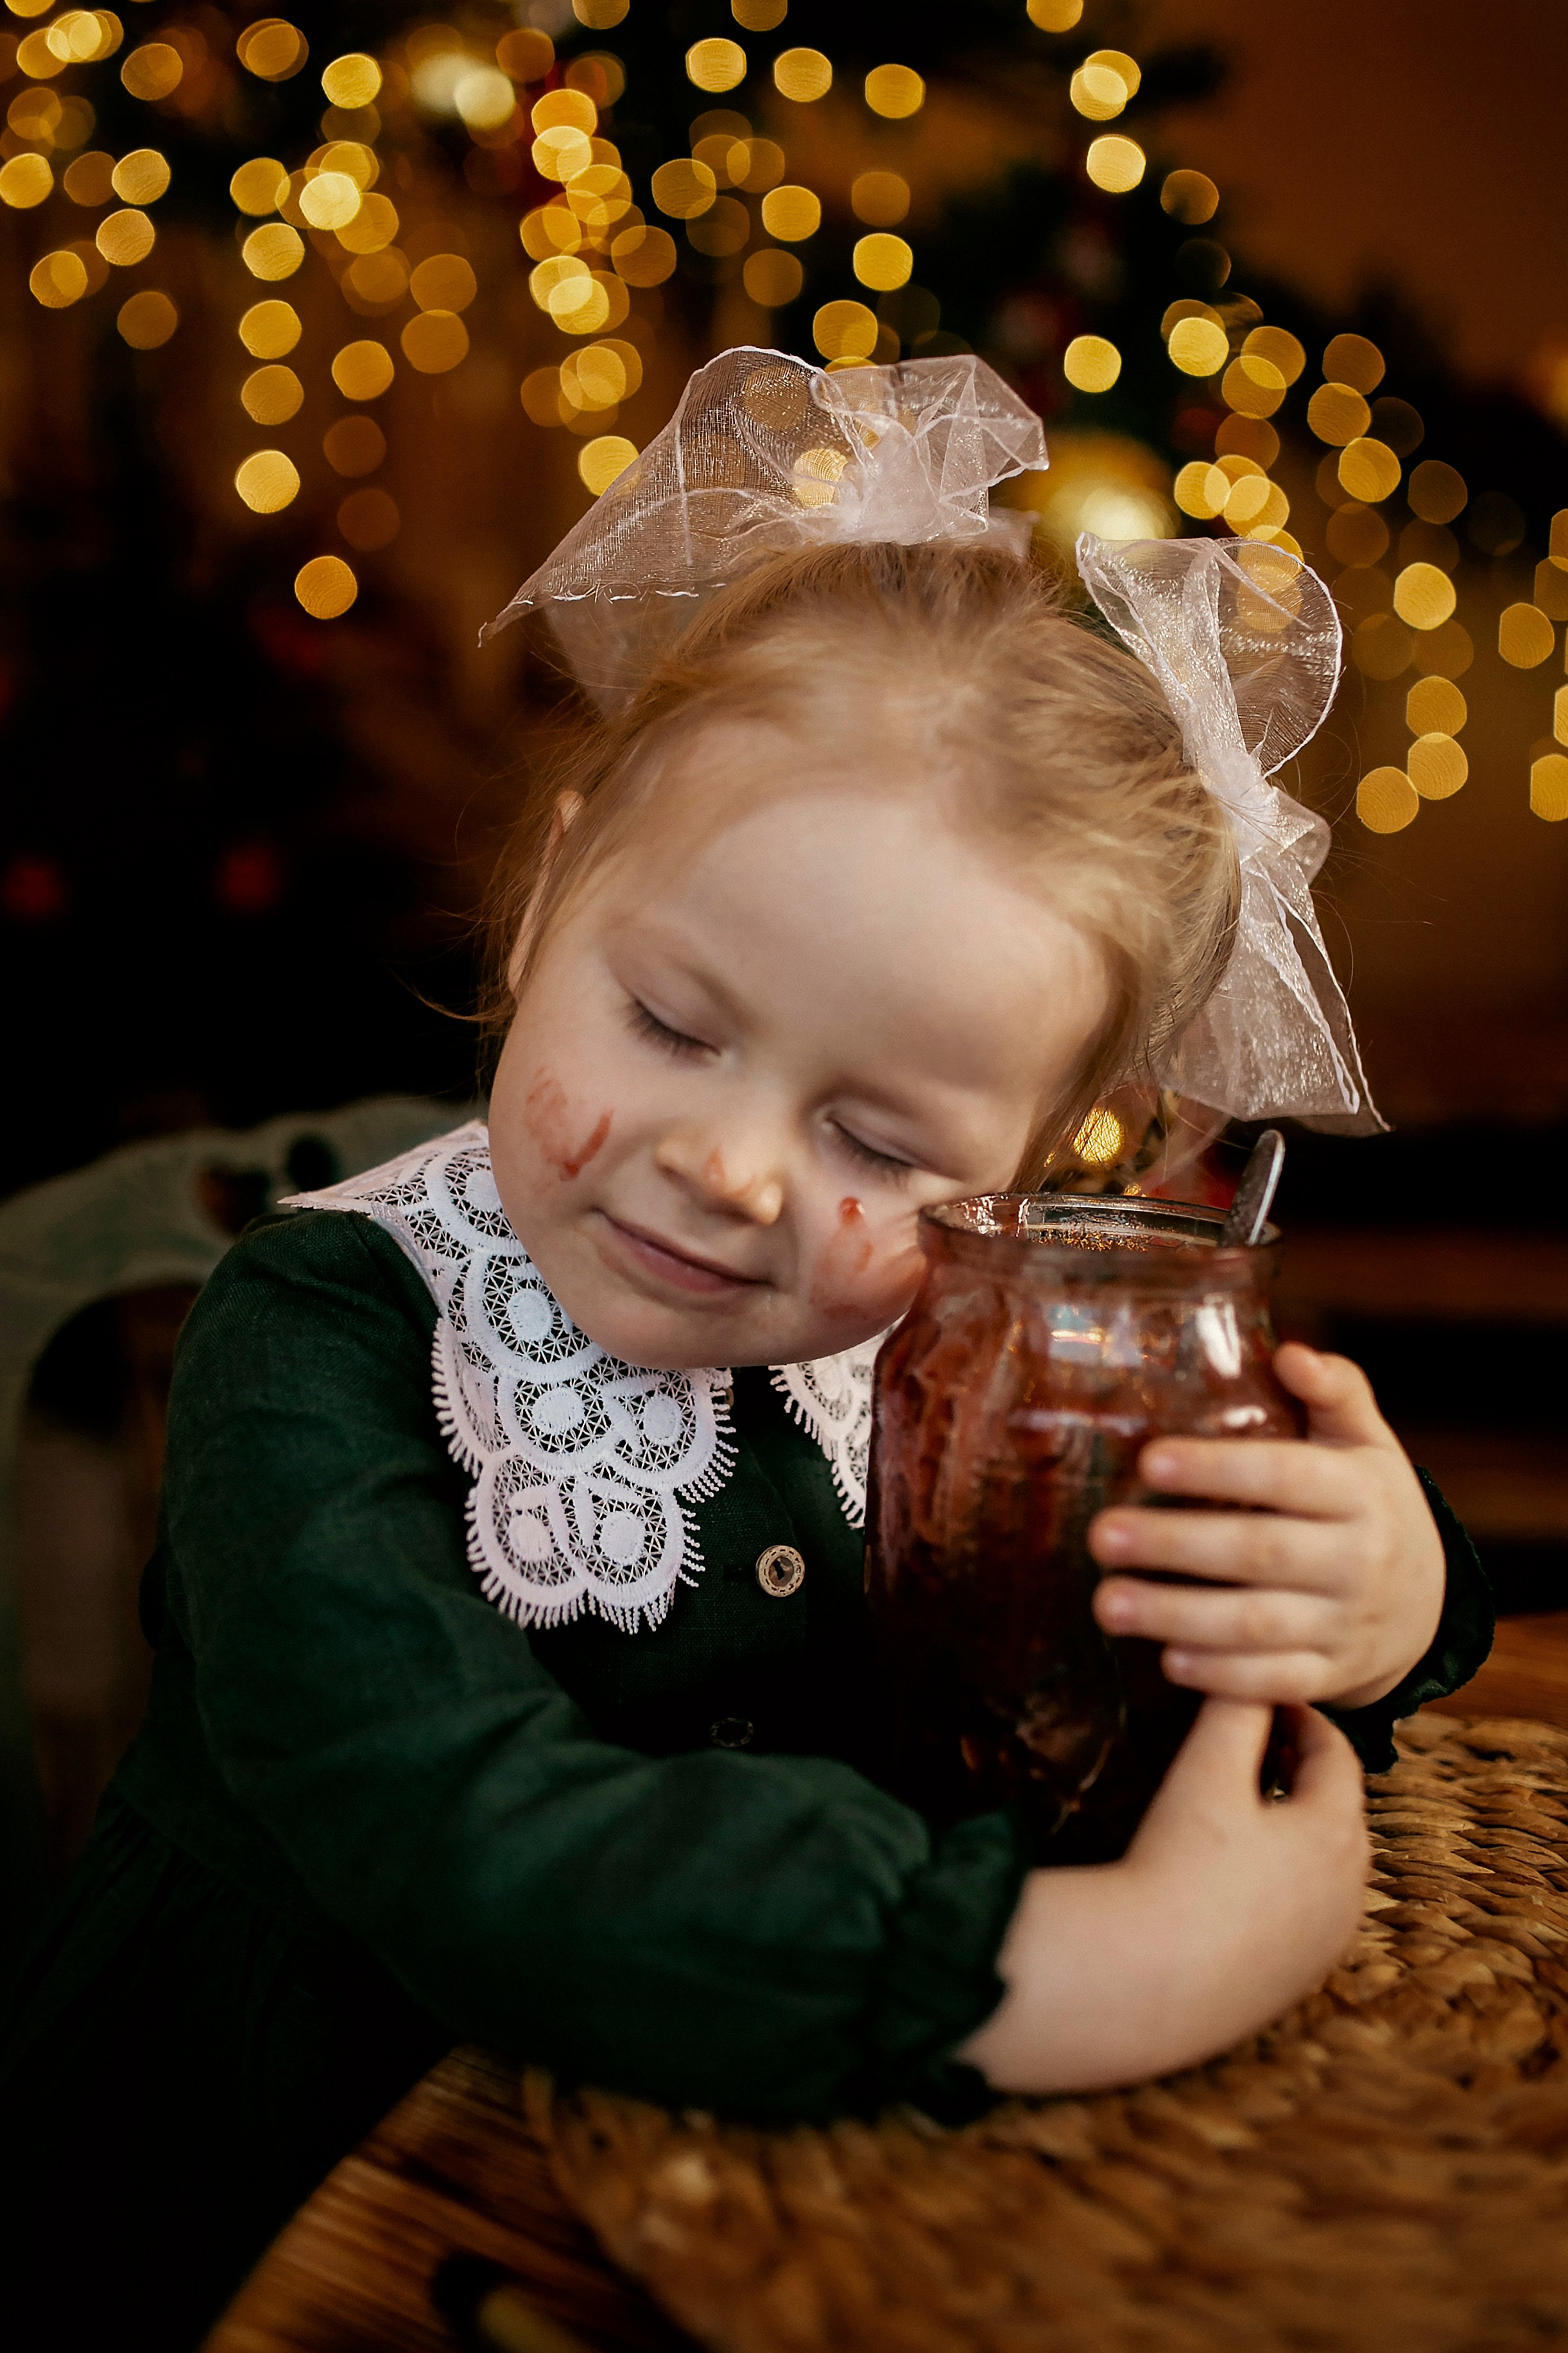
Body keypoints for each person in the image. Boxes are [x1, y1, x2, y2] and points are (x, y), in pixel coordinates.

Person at [0, 352, 1490, 2345]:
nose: (723, 1164)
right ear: (551, 899)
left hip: (780, 2183)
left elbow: (1123, 1673)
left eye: (877, 1140)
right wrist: (1103, 1968)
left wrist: (1381, 1596)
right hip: (273, 2195)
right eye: (674, 1020)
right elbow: (464, 1838)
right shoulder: (323, 1340)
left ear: (1027, 1172)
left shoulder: (941, 1355)